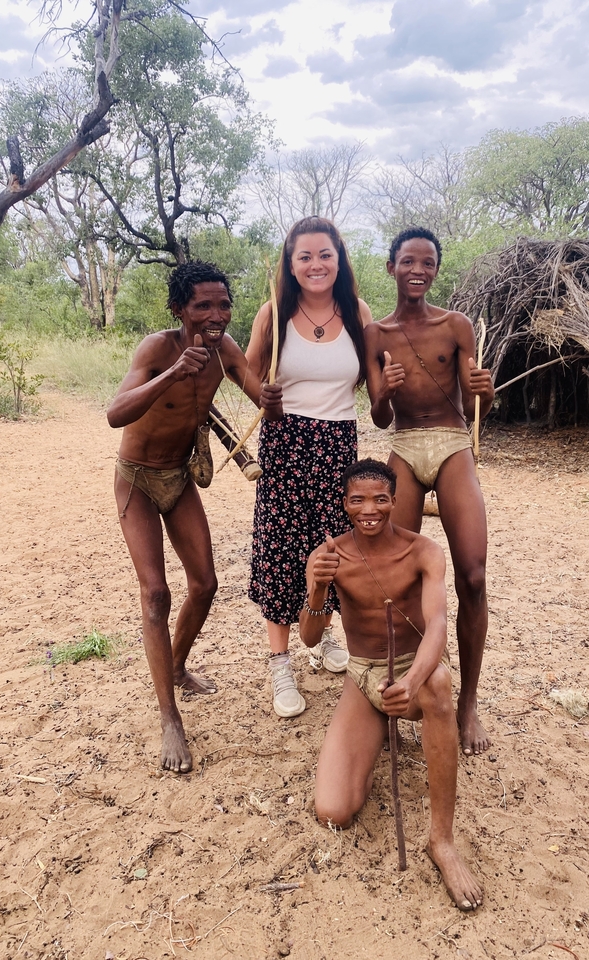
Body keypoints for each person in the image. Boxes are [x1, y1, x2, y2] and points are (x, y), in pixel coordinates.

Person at [107, 260, 282, 773]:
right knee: (156, 593)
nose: (216, 314)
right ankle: (169, 718)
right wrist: (171, 374)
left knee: (205, 584)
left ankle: (178, 665)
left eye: (224, 304)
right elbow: (116, 413)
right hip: (137, 477)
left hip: (178, 478)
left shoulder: (225, 350)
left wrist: (269, 398)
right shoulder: (157, 349)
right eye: (203, 305)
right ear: (179, 308)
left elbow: (262, 398)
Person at [299, 459, 483, 911]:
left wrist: (411, 680)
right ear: (344, 504)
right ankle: (378, 729)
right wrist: (318, 591)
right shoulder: (328, 556)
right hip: (364, 672)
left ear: (395, 502)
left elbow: (438, 625)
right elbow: (308, 636)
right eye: (358, 499)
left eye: (380, 499)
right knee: (333, 811)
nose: (369, 509)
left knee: (439, 684)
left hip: (415, 666)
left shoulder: (424, 551)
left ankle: (441, 841)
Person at [364, 227, 495, 756]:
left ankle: (467, 705)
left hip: (451, 441)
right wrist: (387, 390)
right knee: (395, 578)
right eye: (409, 262)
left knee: (474, 574)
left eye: (428, 263)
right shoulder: (376, 334)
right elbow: (378, 413)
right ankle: (392, 700)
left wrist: (487, 392)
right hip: (404, 442)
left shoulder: (456, 325)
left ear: (436, 269)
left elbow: (475, 403)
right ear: (392, 266)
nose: (419, 270)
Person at [245, 216, 372, 718]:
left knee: (334, 544)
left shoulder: (357, 311)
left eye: (325, 255)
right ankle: (281, 663)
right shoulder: (273, 313)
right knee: (281, 548)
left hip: (339, 443)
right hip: (286, 442)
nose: (316, 264)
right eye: (305, 256)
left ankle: (322, 638)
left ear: (338, 260)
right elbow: (249, 371)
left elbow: (372, 375)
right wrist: (266, 399)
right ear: (291, 264)